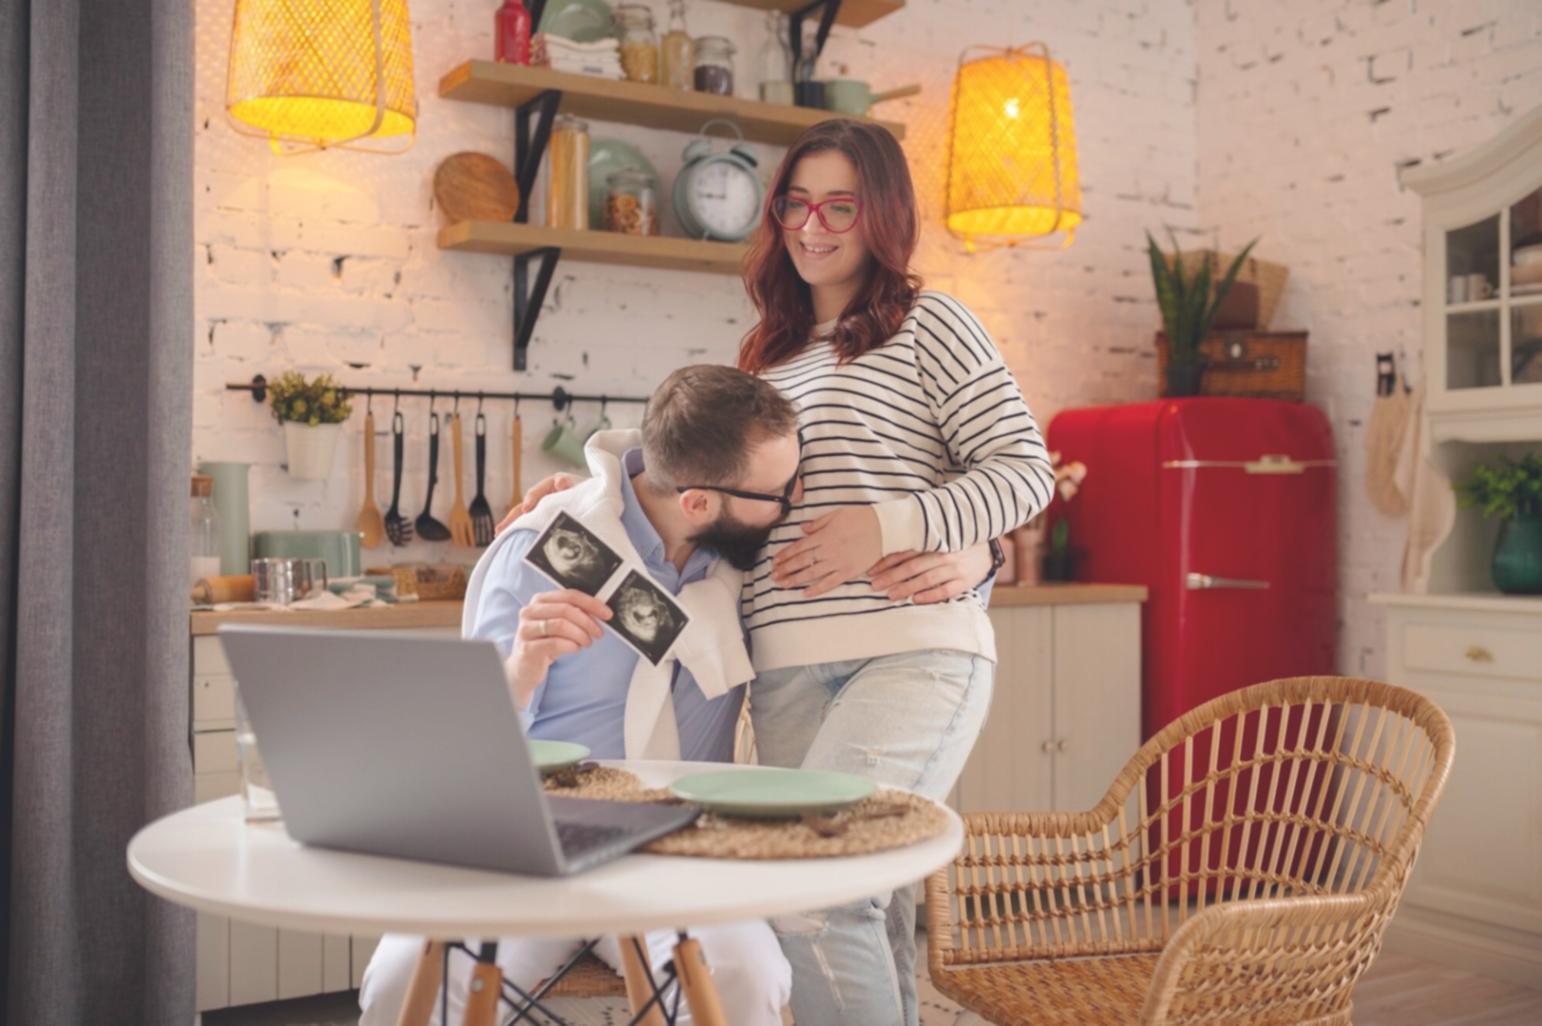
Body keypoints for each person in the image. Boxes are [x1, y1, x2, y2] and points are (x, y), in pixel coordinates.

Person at [505, 119, 1055, 1026]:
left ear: (883, 214)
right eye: (796, 203)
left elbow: (1024, 470)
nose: (813, 224)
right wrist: (590, 490)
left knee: (816, 893)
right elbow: (693, 479)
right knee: (861, 904)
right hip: (786, 666)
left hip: (908, 651)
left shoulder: (933, 323)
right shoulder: (762, 351)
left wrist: (894, 528)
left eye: (841, 204)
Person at [357, 365, 801, 1026]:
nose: (792, 501)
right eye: (778, 492)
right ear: (699, 503)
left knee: (746, 977)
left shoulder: (750, 558)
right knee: (406, 983)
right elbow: (471, 746)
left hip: (682, 845)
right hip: (537, 840)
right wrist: (523, 666)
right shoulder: (540, 546)